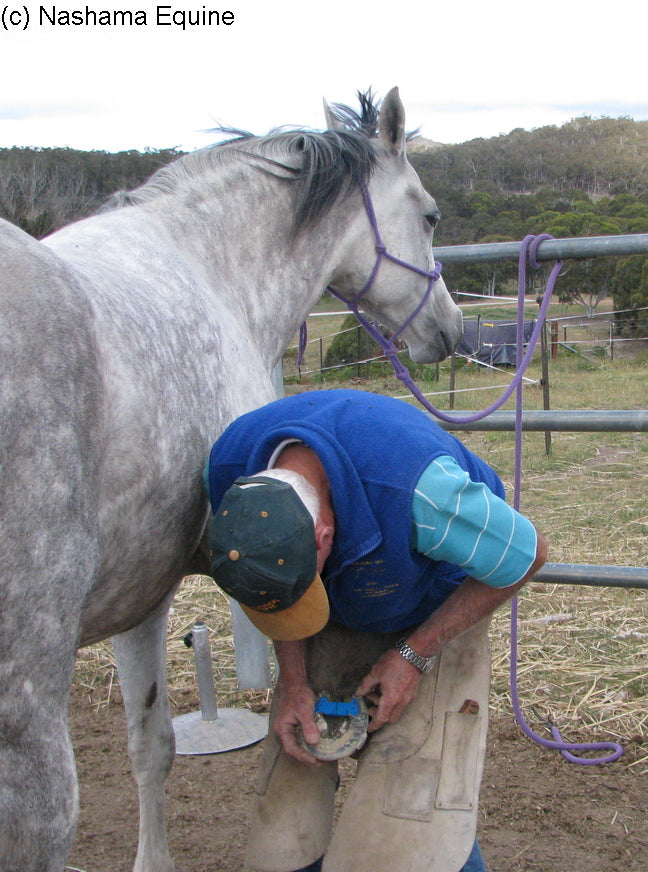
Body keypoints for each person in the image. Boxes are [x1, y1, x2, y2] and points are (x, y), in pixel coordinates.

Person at [205, 389, 547, 872]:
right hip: (344, 592)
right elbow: (274, 583)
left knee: (411, 807)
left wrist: (414, 655)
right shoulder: (226, 471)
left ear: (324, 536)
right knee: (284, 820)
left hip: (437, 598)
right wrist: (295, 682)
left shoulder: (423, 493)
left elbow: (526, 555)